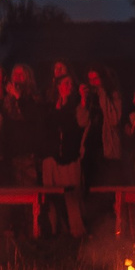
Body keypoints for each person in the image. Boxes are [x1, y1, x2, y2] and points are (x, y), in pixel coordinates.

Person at [42, 74, 88, 238]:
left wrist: (83, 99)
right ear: (58, 86)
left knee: (72, 197)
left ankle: (77, 232)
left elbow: (82, 122)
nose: (68, 86)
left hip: (70, 156)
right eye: (65, 83)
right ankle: (55, 232)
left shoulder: (77, 105)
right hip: (51, 157)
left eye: (70, 83)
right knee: (52, 197)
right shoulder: (50, 107)